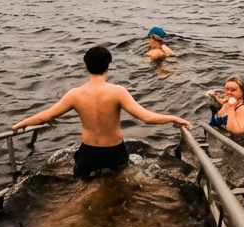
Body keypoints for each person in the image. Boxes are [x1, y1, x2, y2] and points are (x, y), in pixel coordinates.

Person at [12, 44, 191, 179]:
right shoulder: (118, 92)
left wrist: (22, 123)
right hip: (114, 152)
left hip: (88, 153)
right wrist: (174, 118)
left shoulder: (75, 94)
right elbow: (146, 117)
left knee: (83, 186)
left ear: (86, 66)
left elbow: (47, 115)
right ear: (108, 66)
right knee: (119, 184)